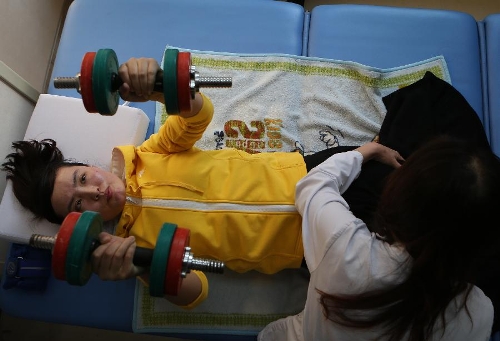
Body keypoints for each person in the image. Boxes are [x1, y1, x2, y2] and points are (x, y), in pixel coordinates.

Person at [1, 57, 363, 308]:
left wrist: (157, 86)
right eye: (79, 204)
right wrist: (139, 267)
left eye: (82, 178)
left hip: (308, 174)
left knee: (402, 162)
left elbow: (198, 114)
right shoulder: (131, 248)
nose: (94, 190)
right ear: (78, 222)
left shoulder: (151, 153)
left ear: (88, 165)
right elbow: (195, 293)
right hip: (309, 244)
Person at [258, 135, 500, 341]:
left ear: (400, 194)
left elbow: (313, 185)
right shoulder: (479, 315)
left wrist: (368, 150)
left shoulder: (346, 246)